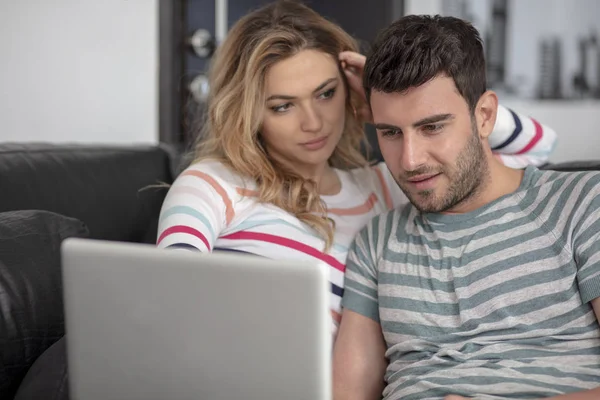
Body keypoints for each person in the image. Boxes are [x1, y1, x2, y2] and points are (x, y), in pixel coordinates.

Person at [156, 0, 557, 336]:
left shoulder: (387, 184)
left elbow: (537, 150)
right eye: (282, 106)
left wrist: (389, 96)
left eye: (326, 94)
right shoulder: (214, 184)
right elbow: (166, 295)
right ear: (247, 113)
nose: (313, 122)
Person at [333, 14, 600, 400]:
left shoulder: (583, 204)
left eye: (432, 127)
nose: (409, 160)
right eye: (390, 133)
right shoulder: (376, 244)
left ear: (485, 116)